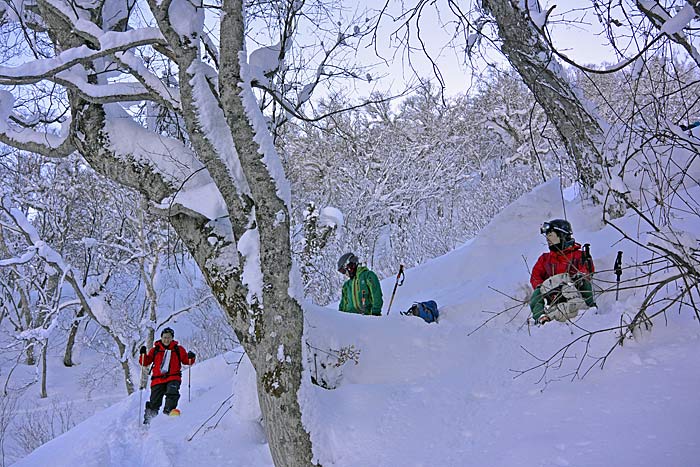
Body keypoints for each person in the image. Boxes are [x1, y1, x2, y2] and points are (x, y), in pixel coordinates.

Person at [529, 219, 596, 325]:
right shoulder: (545, 259)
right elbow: (535, 276)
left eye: (550, 235)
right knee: (537, 292)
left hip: (575, 291)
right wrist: (543, 287)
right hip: (554, 296)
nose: (547, 238)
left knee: (583, 281)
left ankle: (591, 310)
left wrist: (576, 278)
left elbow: (588, 272)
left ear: (561, 235)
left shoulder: (580, 255)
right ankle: (541, 317)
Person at [139, 327, 195, 423]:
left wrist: (191, 357)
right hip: (157, 379)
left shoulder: (178, 349)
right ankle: (149, 420)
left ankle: (168, 414)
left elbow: (186, 361)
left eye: (168, 337)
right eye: (164, 337)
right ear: (161, 338)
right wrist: (143, 354)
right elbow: (145, 362)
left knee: (172, 393)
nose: (166, 340)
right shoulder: (155, 350)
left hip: (173, 377)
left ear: (172, 338)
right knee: (154, 401)